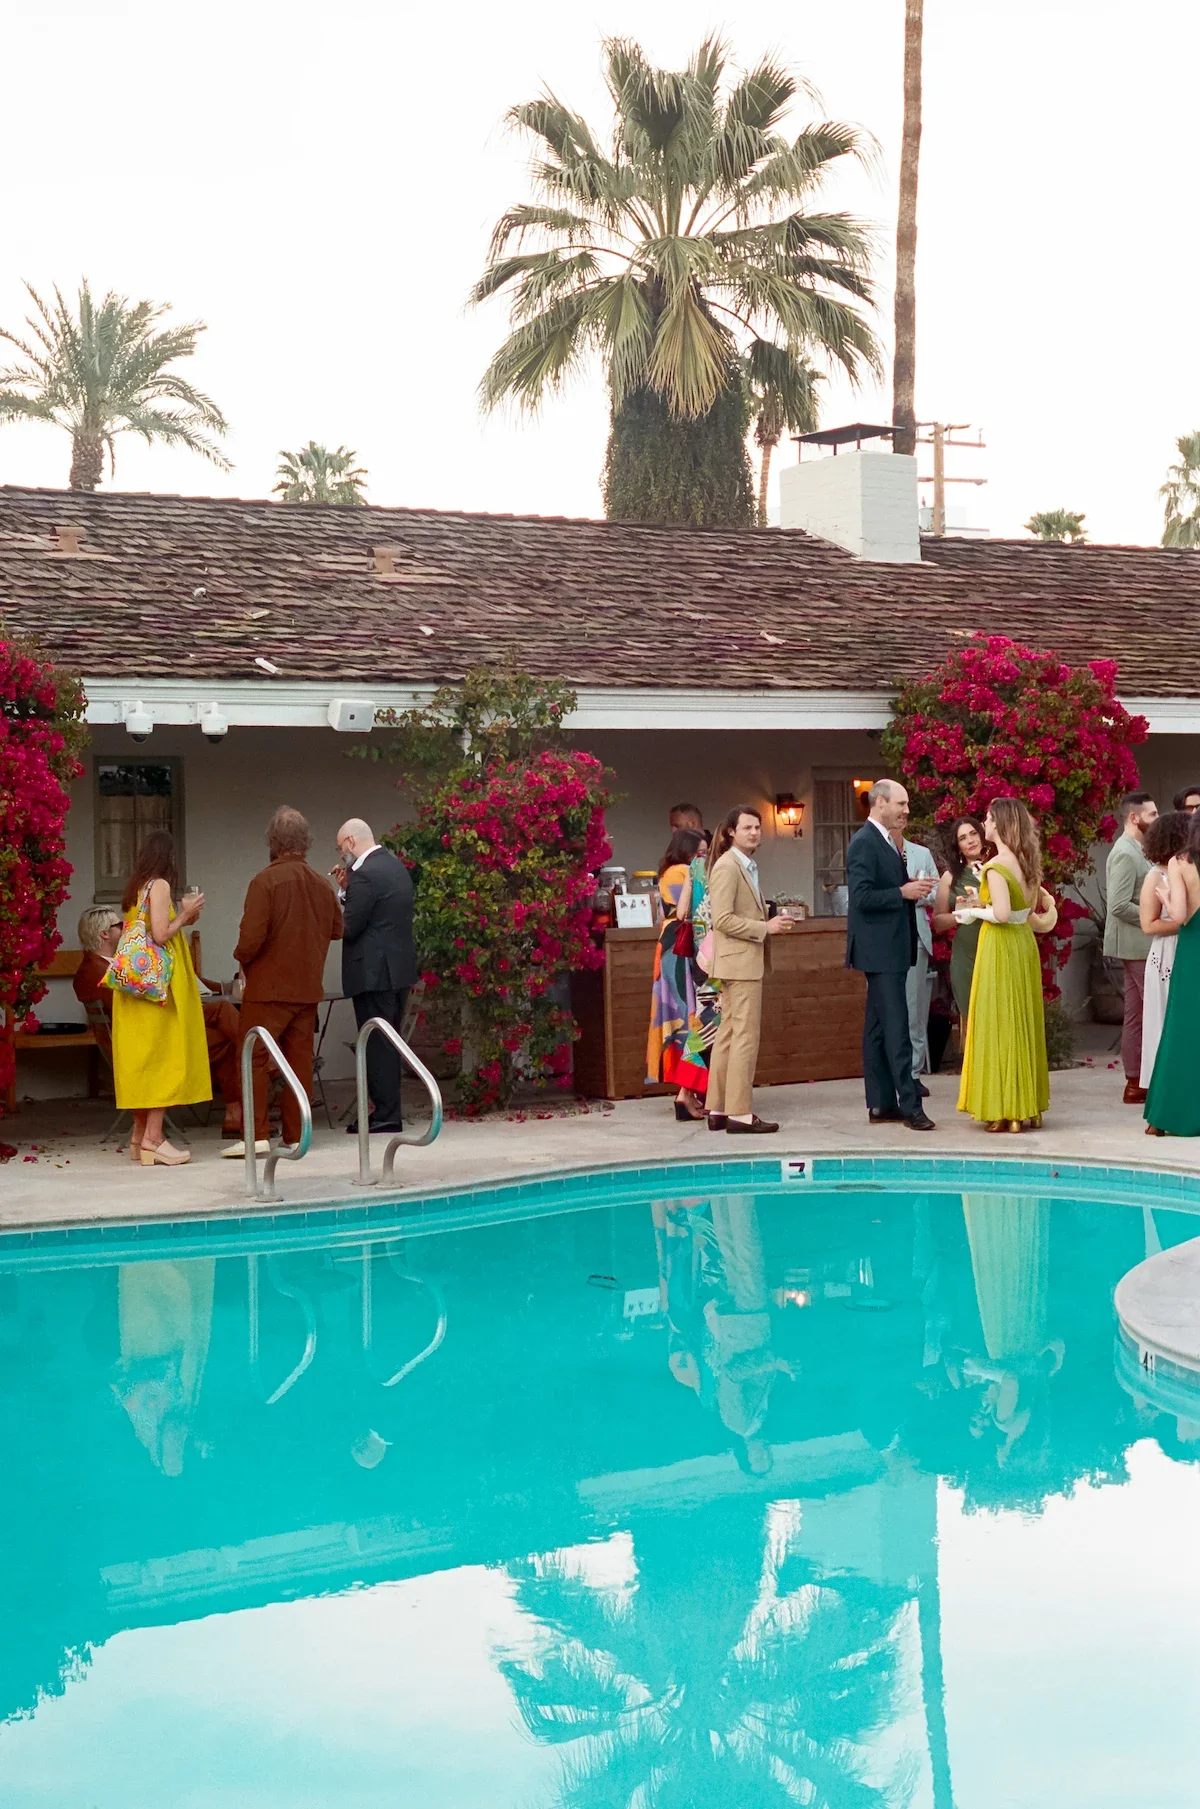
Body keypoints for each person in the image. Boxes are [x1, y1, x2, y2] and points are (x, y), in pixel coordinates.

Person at [227, 807, 343, 1159]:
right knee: (299, 1062)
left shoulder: (265, 881)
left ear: (272, 842)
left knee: (254, 1057)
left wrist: (241, 959)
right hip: (308, 990)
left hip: (268, 989)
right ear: (305, 843)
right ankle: (295, 1136)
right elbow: (338, 929)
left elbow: (251, 939)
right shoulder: (322, 884)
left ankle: (257, 1135)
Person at [109, 830, 208, 1166]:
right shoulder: (161, 885)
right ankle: (154, 1137)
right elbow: (161, 934)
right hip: (158, 987)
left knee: (144, 1060)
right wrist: (186, 914)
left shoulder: (135, 888)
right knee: (165, 1058)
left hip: (134, 988)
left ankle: (139, 1135)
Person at [957, 798, 1055, 1133]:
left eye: (987, 818)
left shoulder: (996, 866)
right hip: (1023, 943)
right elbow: (1023, 913)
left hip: (999, 946)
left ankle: (1003, 1107)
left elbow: (999, 914)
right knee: (1021, 1019)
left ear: (999, 823)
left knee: (998, 1020)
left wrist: (971, 913)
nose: (984, 823)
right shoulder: (1028, 862)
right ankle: (1025, 1106)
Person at [845, 780, 937, 1131]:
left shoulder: (885, 841)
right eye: (901, 803)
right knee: (897, 1026)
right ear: (879, 802)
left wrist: (910, 890)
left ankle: (881, 1104)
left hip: (890, 948)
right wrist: (903, 891)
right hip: (879, 951)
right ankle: (911, 1106)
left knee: (878, 1029)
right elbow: (862, 897)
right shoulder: (864, 842)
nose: (906, 810)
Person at [704, 805, 796, 1134]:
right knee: (744, 1038)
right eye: (747, 828)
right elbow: (722, 919)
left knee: (728, 1036)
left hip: (737, 962)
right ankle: (740, 1114)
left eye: (757, 827)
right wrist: (764, 928)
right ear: (731, 832)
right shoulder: (729, 866)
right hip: (740, 963)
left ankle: (717, 1108)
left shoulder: (743, 865)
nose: (754, 833)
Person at [334, 817, 417, 1134]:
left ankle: (385, 1114)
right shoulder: (395, 867)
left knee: (377, 1043)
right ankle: (389, 1109)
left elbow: (351, 926)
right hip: (398, 971)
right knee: (390, 1041)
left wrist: (344, 896)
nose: (342, 855)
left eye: (341, 847)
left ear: (351, 842)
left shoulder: (365, 875)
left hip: (372, 974)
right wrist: (347, 891)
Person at [646, 827, 716, 1119]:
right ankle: (687, 1090)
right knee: (692, 1017)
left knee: (692, 1018)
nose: (702, 857)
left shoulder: (675, 871)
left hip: (677, 946)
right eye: (698, 852)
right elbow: (690, 911)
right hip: (681, 949)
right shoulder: (681, 872)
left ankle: (688, 1090)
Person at [1145, 810, 1200, 1136]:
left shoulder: (1181, 862)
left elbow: (1179, 916)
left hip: (1193, 950)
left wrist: (1165, 896)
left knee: (1181, 1032)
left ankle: (1163, 1117)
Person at [1104, 790, 1157, 1103]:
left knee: (1136, 1014)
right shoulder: (1125, 852)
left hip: (1139, 943)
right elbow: (1119, 904)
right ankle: (1139, 1080)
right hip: (1136, 944)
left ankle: (1136, 1082)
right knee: (1147, 1013)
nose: (1157, 818)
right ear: (1134, 817)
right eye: (1151, 814)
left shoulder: (1139, 848)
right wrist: (1155, 916)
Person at [1138, 811, 1189, 1097]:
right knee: (1163, 1021)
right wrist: (1185, 927)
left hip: (1188, 951)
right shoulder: (1155, 876)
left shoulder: (1189, 870)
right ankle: (1164, 1090)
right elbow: (1148, 924)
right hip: (1167, 953)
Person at [931, 817, 992, 1026]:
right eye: (963, 838)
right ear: (958, 846)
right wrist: (964, 912)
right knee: (973, 1019)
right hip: (966, 953)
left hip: (996, 947)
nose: (970, 841)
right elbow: (938, 921)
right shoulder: (950, 877)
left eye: (973, 834)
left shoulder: (998, 868)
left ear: (982, 835)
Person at [898, 831, 939, 1090]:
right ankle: (894, 1073)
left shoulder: (921, 853)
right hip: (888, 939)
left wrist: (918, 893)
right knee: (893, 1009)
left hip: (917, 937)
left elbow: (936, 892)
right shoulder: (877, 851)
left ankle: (914, 1073)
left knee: (916, 1008)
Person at [73, 906, 123, 1013]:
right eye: (120, 926)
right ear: (105, 934)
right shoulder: (103, 972)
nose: (124, 929)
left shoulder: (89, 966)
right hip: (122, 1029)